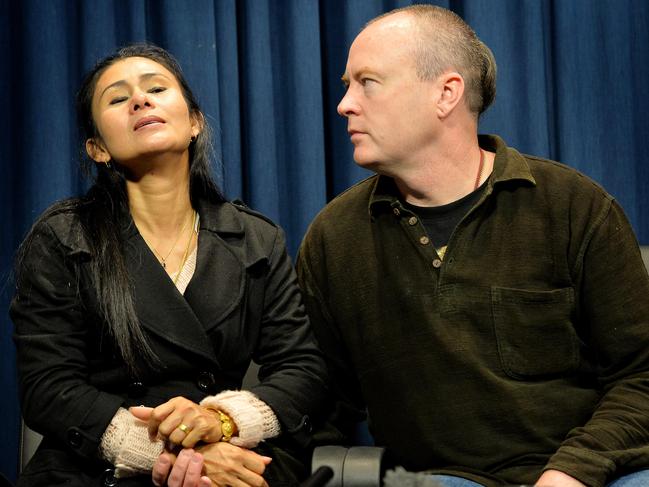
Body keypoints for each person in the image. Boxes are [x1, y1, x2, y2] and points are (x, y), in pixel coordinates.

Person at [296, 5, 649, 487]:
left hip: (594, 472)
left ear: (446, 93)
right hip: (442, 480)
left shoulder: (573, 206)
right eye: (346, 85)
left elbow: (641, 376)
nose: (345, 104)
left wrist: (573, 471)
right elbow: (317, 401)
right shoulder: (334, 238)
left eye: (367, 83)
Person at [11, 43, 327, 487]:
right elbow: (48, 389)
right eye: (118, 99)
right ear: (98, 148)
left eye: (156, 88)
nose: (140, 100)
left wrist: (222, 422)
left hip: (227, 462)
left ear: (194, 122)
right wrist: (167, 452)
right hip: (96, 470)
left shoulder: (256, 238)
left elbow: (303, 369)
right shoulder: (64, 237)